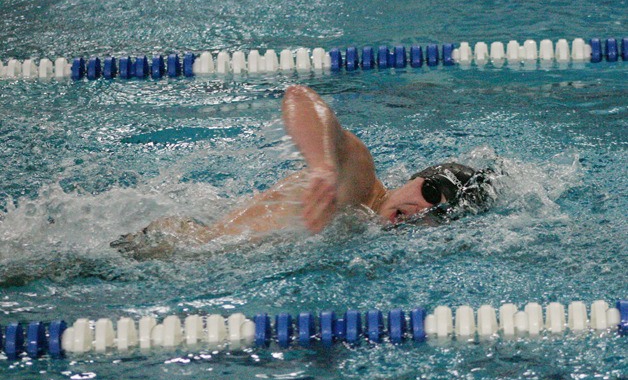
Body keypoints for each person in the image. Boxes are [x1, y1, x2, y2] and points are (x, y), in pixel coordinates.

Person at [111, 85, 493, 259]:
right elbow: (300, 97)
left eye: (438, 214)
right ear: (415, 177)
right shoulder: (360, 180)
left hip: (176, 257)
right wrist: (325, 165)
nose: (421, 209)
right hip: (160, 249)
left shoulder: (363, 224)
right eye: (429, 192)